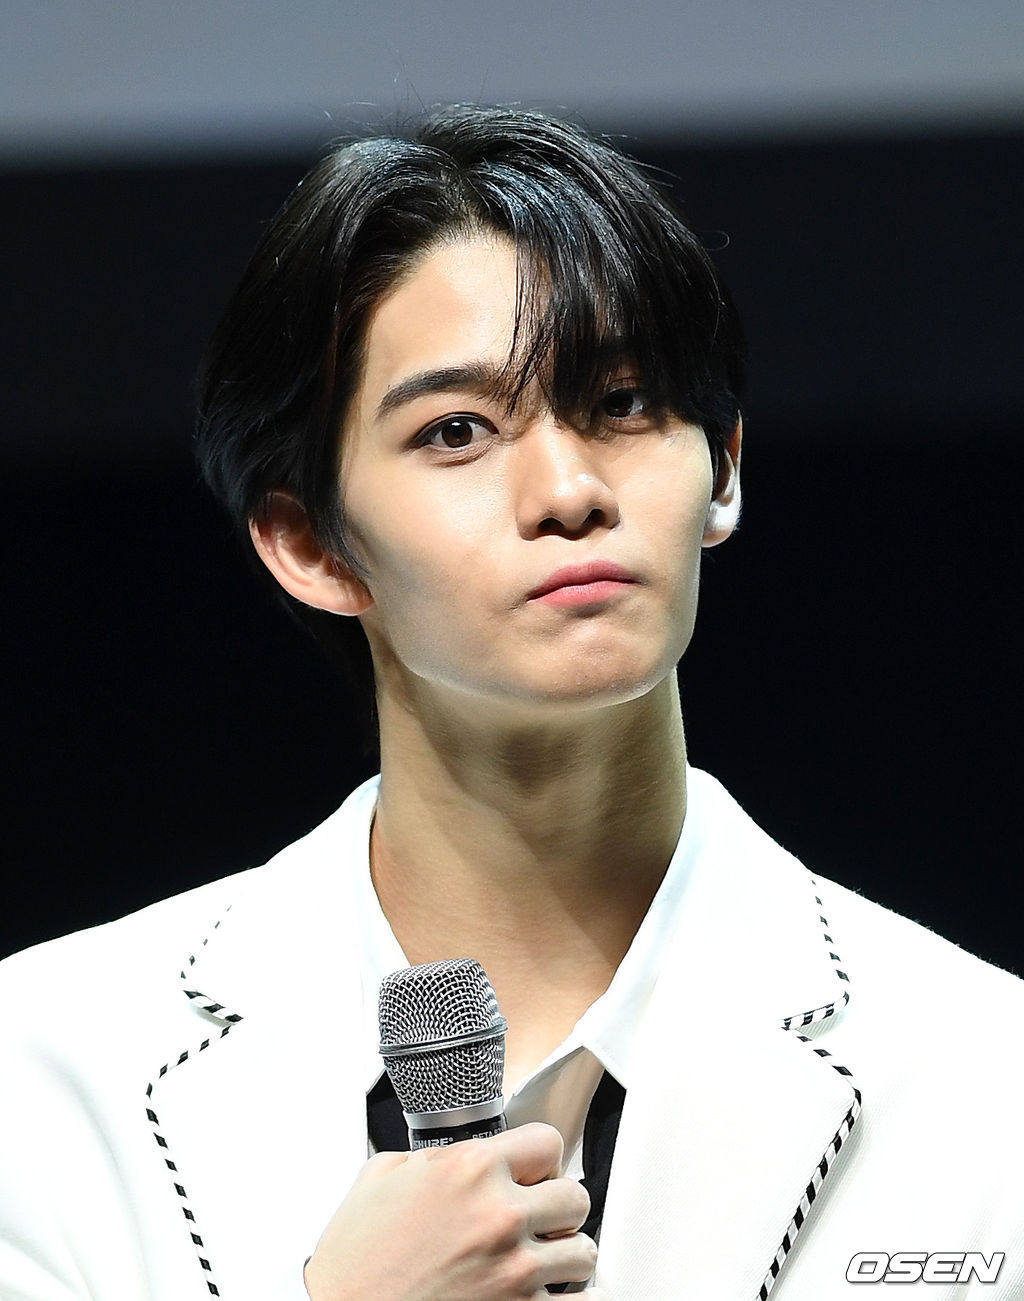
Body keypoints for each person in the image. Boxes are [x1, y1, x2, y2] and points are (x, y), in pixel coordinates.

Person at [1, 105, 1021, 1301]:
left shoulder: (977, 1072)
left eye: (623, 403)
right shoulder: (49, 1073)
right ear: (310, 542)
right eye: (457, 431)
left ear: (724, 466)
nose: (568, 488)